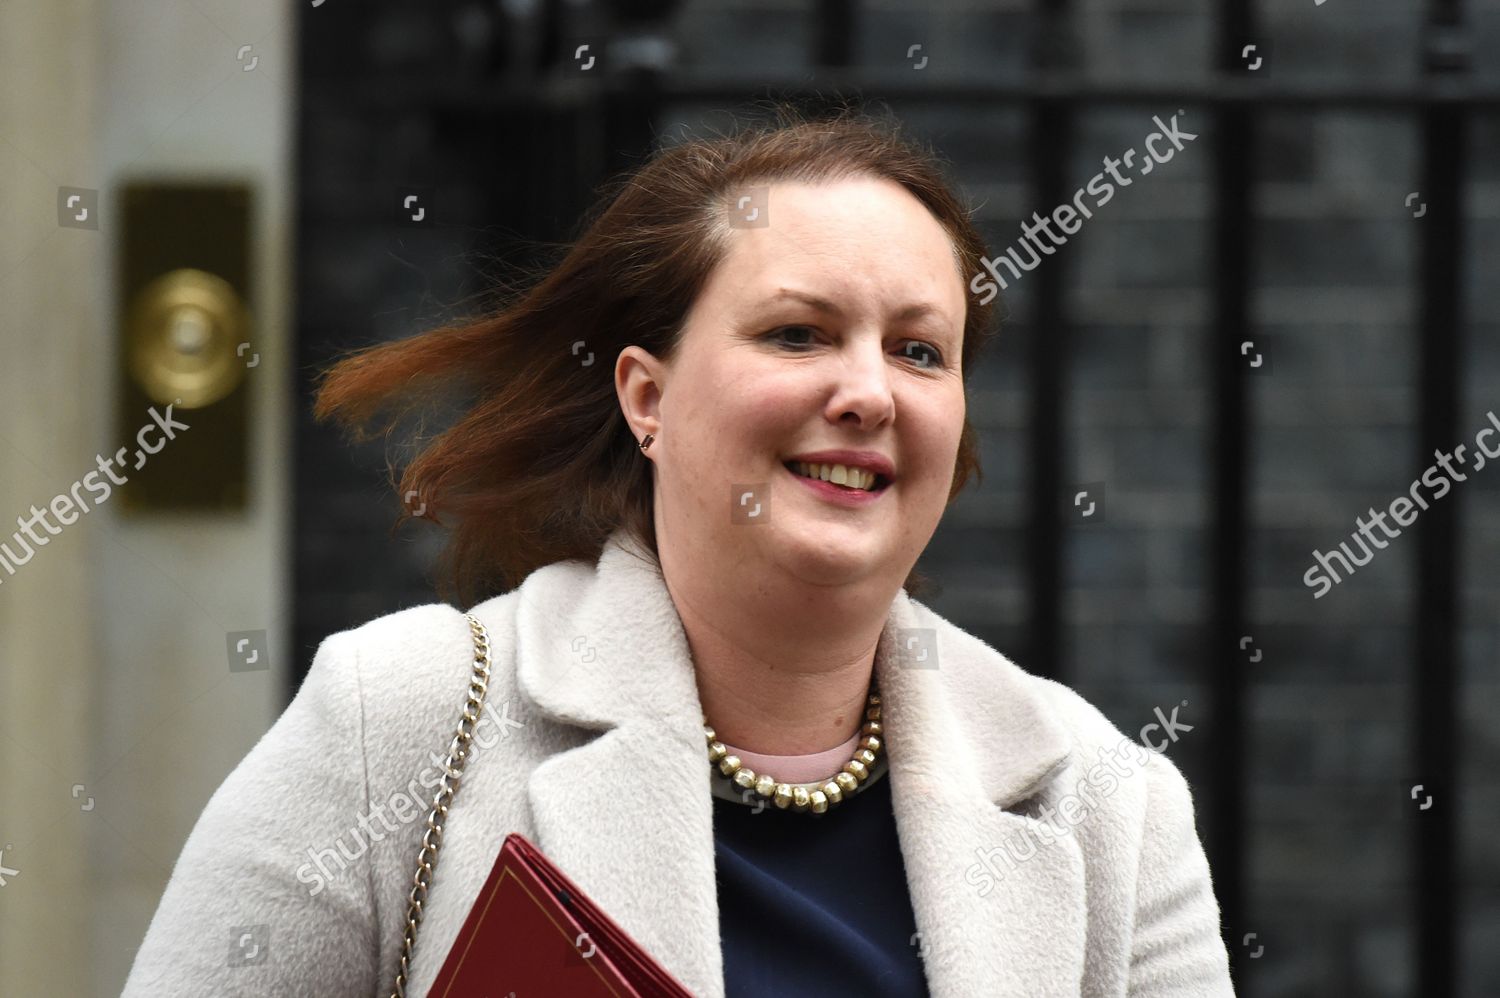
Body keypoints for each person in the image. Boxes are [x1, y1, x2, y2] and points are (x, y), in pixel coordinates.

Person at [121, 106, 1235, 997]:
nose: (866, 391)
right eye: (797, 332)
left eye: (918, 349)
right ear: (647, 398)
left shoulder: (1108, 808)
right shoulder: (396, 720)